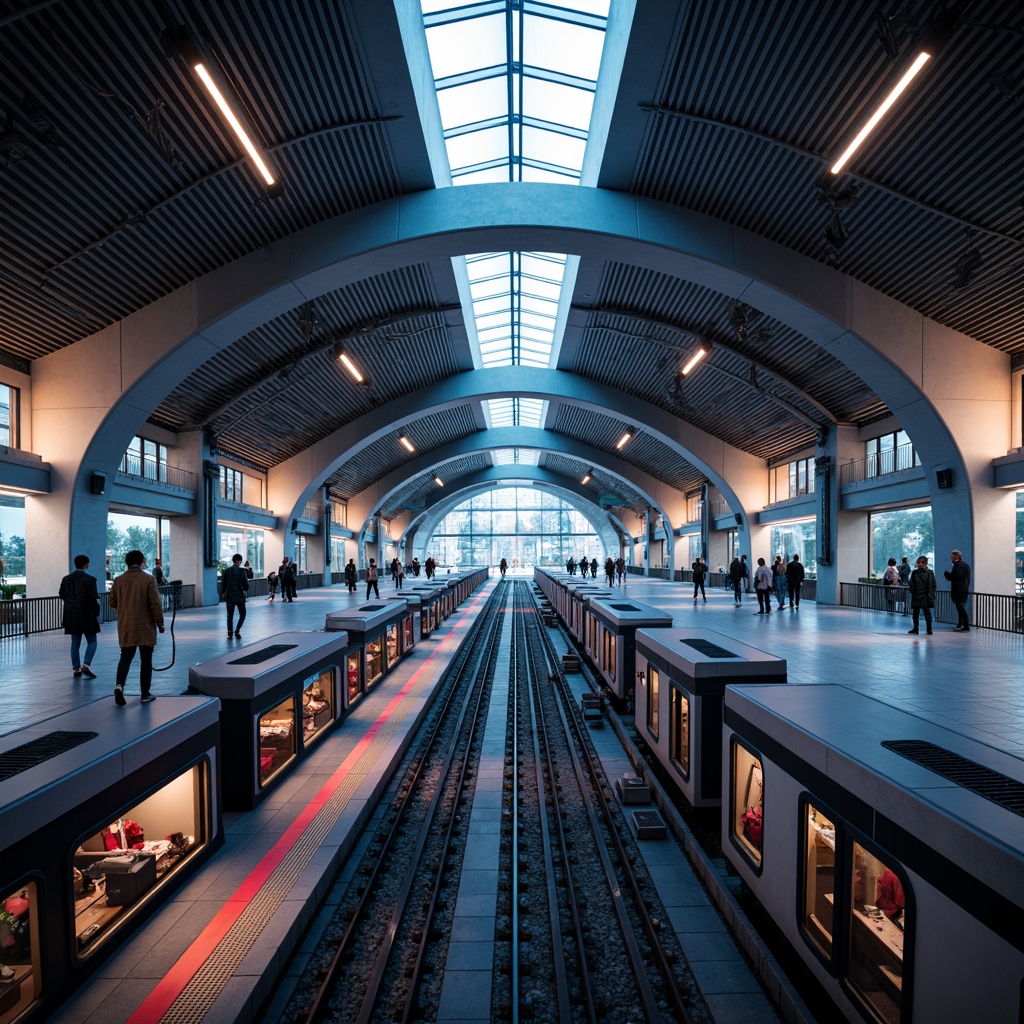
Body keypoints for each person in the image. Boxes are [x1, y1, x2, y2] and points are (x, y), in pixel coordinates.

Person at [106, 549, 165, 706]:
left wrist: (125, 606)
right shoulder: (148, 579)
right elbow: (156, 603)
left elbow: (112, 601)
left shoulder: (119, 580)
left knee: (125, 657)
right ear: (141, 562)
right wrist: (160, 621)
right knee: (146, 659)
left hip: (126, 624)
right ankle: (145, 694)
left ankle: (119, 686)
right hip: (145, 624)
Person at [60, 553, 100, 679]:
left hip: (71, 615)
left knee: (75, 643)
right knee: (92, 641)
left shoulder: (66, 579)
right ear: (86, 564)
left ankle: (76, 668)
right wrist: (96, 612)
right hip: (87, 615)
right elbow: (92, 599)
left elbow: (61, 594)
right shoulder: (90, 580)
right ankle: (86, 664)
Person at [220, 553, 249, 639]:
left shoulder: (227, 571)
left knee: (230, 616)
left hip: (229, 597)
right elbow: (246, 585)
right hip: (240, 597)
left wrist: (222, 592)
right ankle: (237, 631)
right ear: (239, 561)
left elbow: (223, 585)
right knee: (243, 614)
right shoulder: (242, 571)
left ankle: (230, 634)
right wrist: (245, 588)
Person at [907, 555, 936, 635]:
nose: (920, 564)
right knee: (915, 613)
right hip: (916, 594)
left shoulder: (929, 572)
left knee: (927, 613)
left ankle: (929, 629)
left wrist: (932, 593)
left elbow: (933, 584)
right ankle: (916, 628)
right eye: (919, 562)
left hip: (925, 595)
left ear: (925, 563)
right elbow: (912, 582)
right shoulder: (915, 572)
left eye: (922, 562)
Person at [944, 549, 971, 632]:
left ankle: (965, 625)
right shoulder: (965, 565)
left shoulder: (958, 566)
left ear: (956, 557)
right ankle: (960, 624)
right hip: (963, 590)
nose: (951, 559)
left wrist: (948, 575)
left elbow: (956, 577)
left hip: (959, 590)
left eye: (952, 557)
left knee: (960, 608)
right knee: (960, 608)